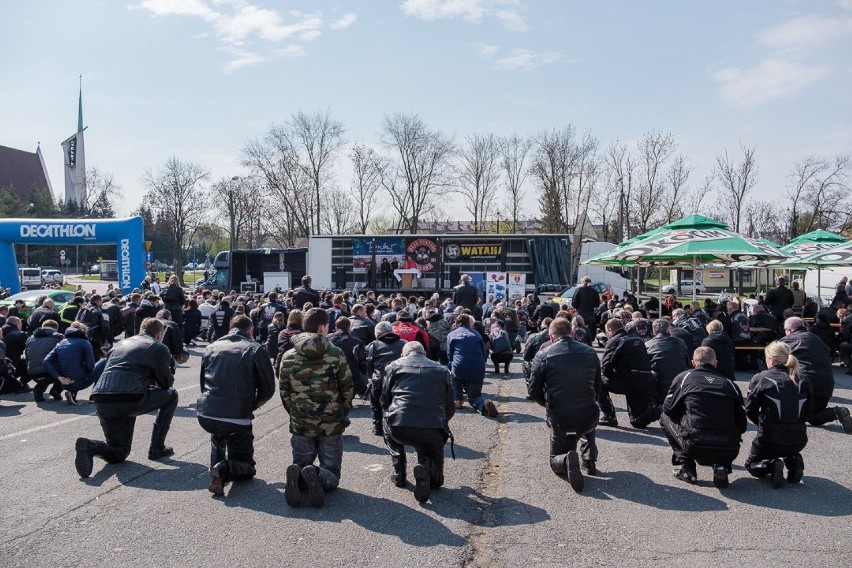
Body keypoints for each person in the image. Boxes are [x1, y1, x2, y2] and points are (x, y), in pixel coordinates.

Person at [73, 318, 178, 478]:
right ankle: (157, 448)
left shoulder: (120, 344)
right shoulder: (158, 347)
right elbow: (166, 382)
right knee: (172, 395)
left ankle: (91, 446)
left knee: (119, 452)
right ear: (159, 335)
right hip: (130, 397)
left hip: (102, 398)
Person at [279, 308, 353, 508]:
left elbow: (284, 391)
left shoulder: (288, 356)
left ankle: (301, 475)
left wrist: (294, 412)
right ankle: (319, 476)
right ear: (322, 327)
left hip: (301, 419)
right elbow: (347, 388)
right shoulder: (336, 353)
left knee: (302, 460)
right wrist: (342, 413)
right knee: (332, 472)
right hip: (330, 420)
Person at [197, 315, 276, 496]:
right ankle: (223, 468)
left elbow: (203, 383)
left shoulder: (211, 347)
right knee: (247, 469)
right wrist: (251, 406)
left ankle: (216, 471)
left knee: (218, 435)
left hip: (207, 412)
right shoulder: (256, 349)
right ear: (250, 330)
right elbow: (268, 389)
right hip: (236, 415)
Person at [528, 318, 601, 492]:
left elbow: (533, 390)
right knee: (587, 420)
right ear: (573, 333)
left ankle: (566, 460)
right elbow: (598, 386)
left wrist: (548, 405)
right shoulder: (590, 352)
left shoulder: (544, 354)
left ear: (551, 336)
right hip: (589, 415)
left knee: (555, 459)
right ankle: (589, 460)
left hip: (560, 416)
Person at [660, 347, 747, 488]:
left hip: (695, 444)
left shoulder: (685, 378)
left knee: (664, 417)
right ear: (715, 363)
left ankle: (687, 468)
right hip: (729, 448)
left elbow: (668, 409)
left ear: (694, 363)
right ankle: (721, 466)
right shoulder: (730, 384)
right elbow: (742, 424)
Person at [380, 341, 454, 503]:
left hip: (400, 426)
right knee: (437, 483)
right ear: (425, 354)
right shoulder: (442, 369)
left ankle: (399, 474)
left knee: (387, 422)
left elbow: (385, 399)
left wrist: (388, 415)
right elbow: (450, 406)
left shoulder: (393, 366)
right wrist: (443, 424)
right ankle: (426, 467)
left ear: (403, 355)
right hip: (432, 427)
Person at [743, 342, 812, 488]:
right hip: (798, 439)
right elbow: (809, 411)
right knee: (789, 447)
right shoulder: (803, 379)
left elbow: (750, 409)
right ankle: (795, 464)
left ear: (772, 359)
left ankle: (772, 465)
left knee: (751, 465)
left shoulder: (762, 378)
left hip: (769, 439)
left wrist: (762, 424)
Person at [779, 317, 852, 433]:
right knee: (813, 417)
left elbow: (773, 361)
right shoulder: (818, 339)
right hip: (826, 383)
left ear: (788, 330)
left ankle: (783, 420)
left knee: (796, 411)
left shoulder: (786, 341)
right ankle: (837, 411)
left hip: (804, 383)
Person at [599, 318, 660, 429]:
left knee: (597, 380)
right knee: (636, 421)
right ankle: (660, 410)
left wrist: (611, 376)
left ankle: (609, 416)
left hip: (629, 381)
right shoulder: (637, 339)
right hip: (646, 380)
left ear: (610, 330)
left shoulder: (615, 341)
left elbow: (606, 367)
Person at [447, 314, 498, 417]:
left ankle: (458, 400)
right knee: (474, 397)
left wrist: (451, 365)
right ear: (470, 323)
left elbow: (450, 355)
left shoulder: (451, 335)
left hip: (459, 366)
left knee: (454, 373)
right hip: (477, 365)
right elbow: (484, 353)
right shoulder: (477, 334)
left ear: (457, 324)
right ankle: (483, 403)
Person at [365, 321, 407, 435]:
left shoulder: (372, 346)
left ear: (377, 333)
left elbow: (369, 366)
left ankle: (377, 426)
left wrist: (371, 378)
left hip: (380, 382)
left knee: (375, 402)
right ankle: (400, 426)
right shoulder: (404, 343)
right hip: (401, 382)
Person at [645, 319, 690, 404]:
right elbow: (687, 363)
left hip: (658, 388)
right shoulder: (680, 343)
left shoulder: (647, 345)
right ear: (669, 330)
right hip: (680, 386)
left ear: (654, 332)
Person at [328, 316, 368, 397]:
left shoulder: (328, 340)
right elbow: (363, 364)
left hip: (331, 380)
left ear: (336, 327)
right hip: (354, 382)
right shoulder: (357, 342)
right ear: (349, 328)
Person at [26, 320, 65, 402]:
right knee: (68, 367)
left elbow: (26, 355)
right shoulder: (58, 337)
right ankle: (56, 390)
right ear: (56, 328)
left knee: (44, 372)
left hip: (32, 372)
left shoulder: (30, 338)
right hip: (51, 372)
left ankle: (39, 390)